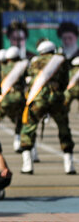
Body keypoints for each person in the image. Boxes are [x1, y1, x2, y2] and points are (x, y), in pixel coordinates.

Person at [19, 40, 75, 174]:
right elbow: (65, 82)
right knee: (63, 128)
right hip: (56, 99)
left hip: (38, 99)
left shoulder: (34, 62)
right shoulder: (61, 61)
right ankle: (69, 165)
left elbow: (30, 80)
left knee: (28, 128)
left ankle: (28, 165)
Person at [0, 46, 27, 152]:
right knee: (20, 120)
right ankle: (18, 141)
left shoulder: (1, 68)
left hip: (4, 99)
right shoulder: (22, 66)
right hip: (19, 98)